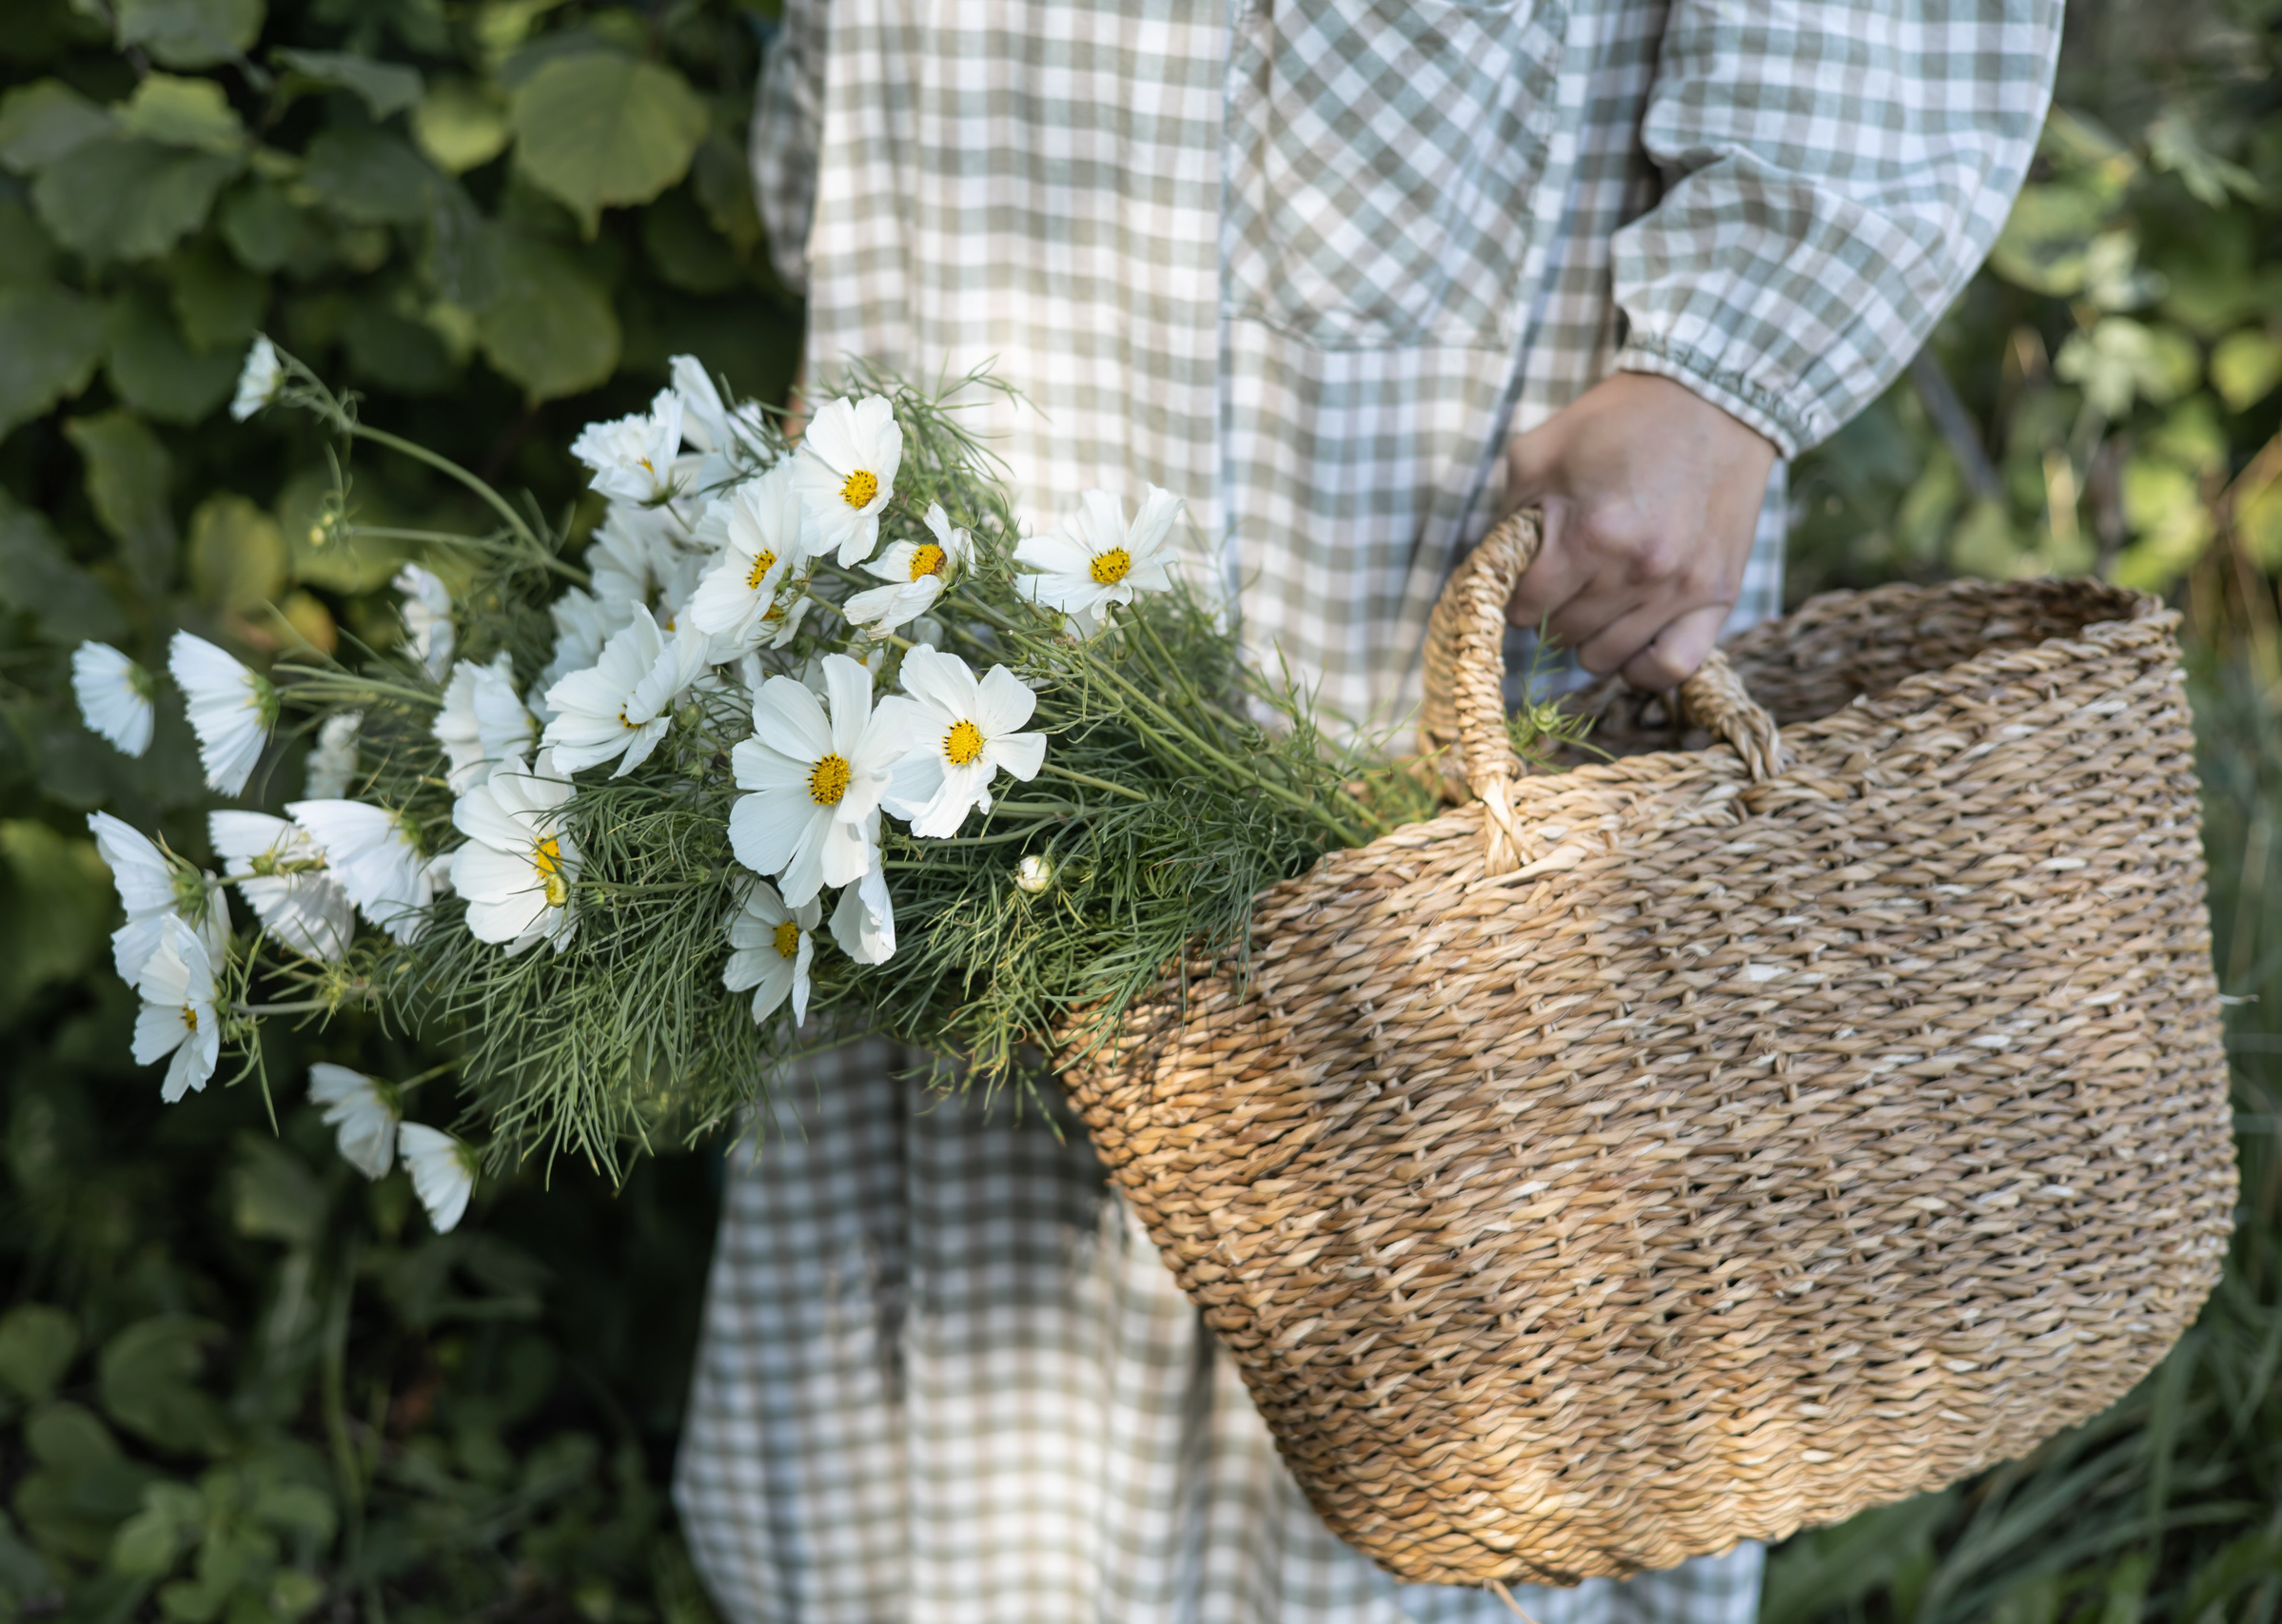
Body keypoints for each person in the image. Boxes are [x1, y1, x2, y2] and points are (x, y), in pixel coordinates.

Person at [676, 4, 2061, 1620]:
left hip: (1432, 341)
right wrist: (850, 207)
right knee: (976, 993)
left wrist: (1724, 367)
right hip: (982, 185)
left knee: (1435, 1127)